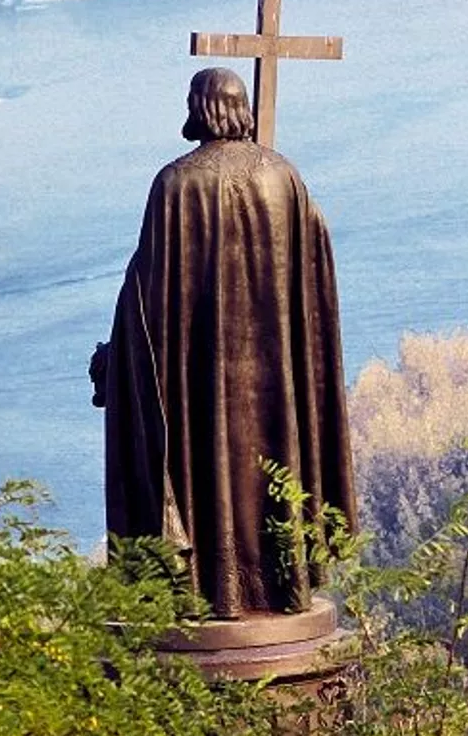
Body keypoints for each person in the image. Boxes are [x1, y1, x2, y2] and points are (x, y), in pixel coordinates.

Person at [93, 67, 355, 619]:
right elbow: (314, 278)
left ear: (200, 108)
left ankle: (212, 590)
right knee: (273, 468)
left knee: (203, 472)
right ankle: (281, 585)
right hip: (275, 383)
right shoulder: (284, 177)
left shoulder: (176, 185)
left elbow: (145, 302)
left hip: (201, 386)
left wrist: (115, 362)